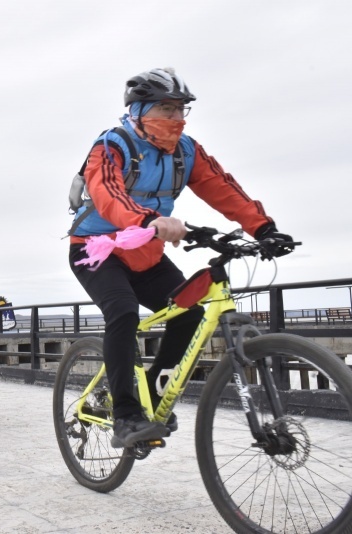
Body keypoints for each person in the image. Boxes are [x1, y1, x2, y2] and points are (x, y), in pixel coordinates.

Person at [68, 67, 293, 448]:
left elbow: (221, 187)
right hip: (96, 250)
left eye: (181, 110)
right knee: (122, 312)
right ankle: (125, 415)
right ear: (139, 110)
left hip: (147, 254)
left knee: (189, 313)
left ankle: (155, 393)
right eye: (167, 109)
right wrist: (150, 220)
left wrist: (263, 229)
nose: (177, 119)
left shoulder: (187, 151)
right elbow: (106, 192)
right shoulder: (111, 145)